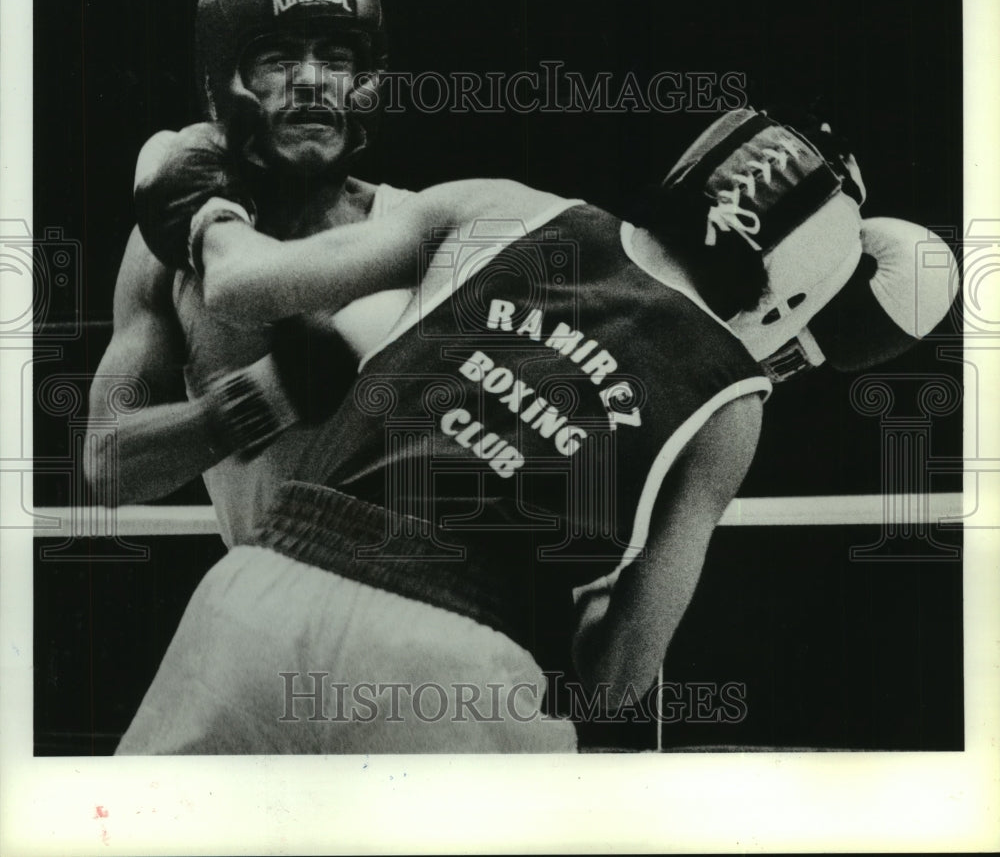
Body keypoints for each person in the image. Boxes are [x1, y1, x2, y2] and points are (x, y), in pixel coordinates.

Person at [112, 107, 956, 753]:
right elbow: (616, 677)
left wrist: (210, 210)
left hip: (262, 593)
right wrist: (585, 558)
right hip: (455, 668)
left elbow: (239, 286)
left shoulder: (504, 205)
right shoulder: (732, 408)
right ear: (801, 285)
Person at [85, 0, 413, 549]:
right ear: (224, 84)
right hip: (267, 593)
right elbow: (108, 465)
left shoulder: (419, 231)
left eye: (336, 59)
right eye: (278, 58)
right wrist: (269, 395)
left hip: (429, 591)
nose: (311, 81)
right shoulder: (170, 254)